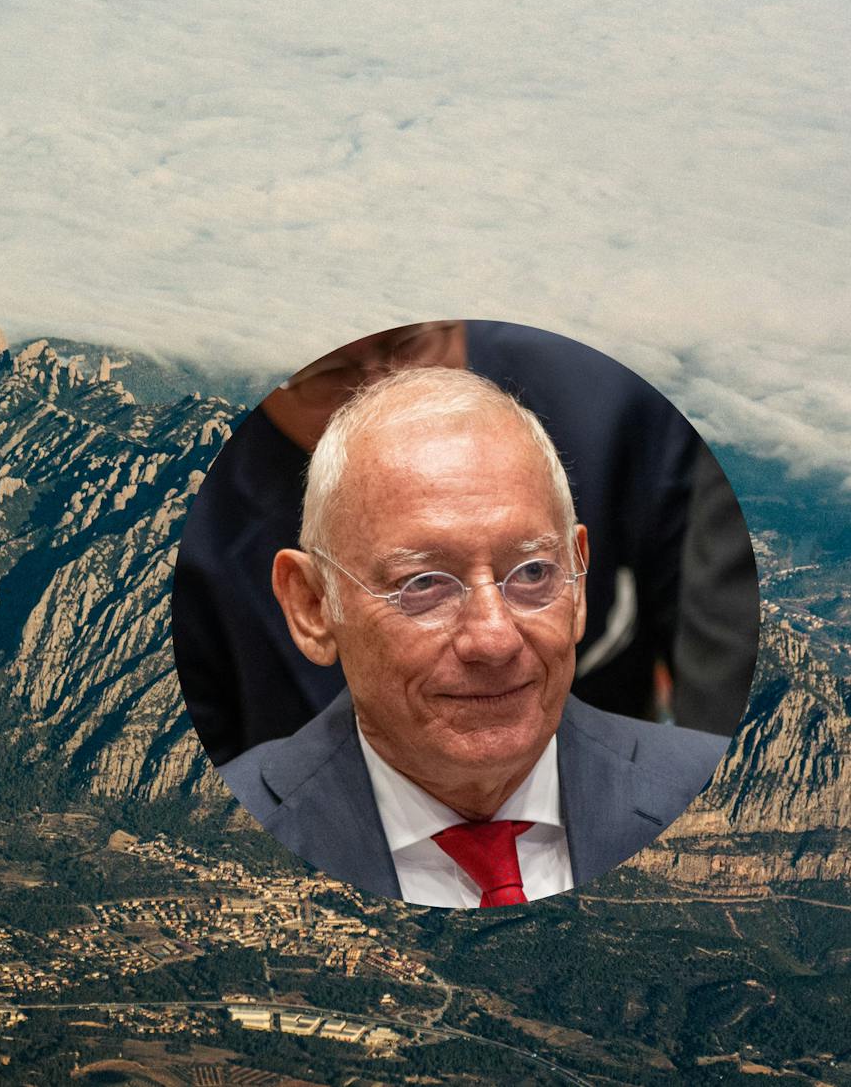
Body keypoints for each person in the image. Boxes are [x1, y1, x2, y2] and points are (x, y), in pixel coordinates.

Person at [218, 368, 729, 906]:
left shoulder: (708, 786)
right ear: (314, 607)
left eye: (533, 573)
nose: (494, 639)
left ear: (578, 583)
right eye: (424, 584)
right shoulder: (225, 826)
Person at [174, 319, 756, 766]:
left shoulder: (617, 404)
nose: (386, 395)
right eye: (328, 375)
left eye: (409, 345)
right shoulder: (182, 529)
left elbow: (729, 664)